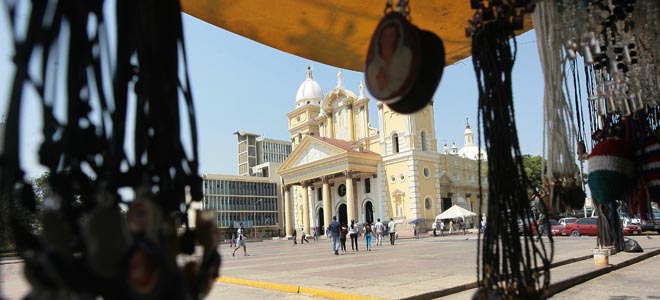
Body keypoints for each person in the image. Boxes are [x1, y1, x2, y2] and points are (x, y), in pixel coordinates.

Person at [366, 21, 413, 99]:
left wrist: (386, 83)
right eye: (385, 35)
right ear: (380, 38)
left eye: (391, 35)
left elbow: (408, 83)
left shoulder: (405, 55)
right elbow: (377, 90)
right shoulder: (373, 66)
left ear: (397, 38)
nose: (387, 39)